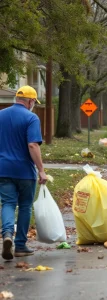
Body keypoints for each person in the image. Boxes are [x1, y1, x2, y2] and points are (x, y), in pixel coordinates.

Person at [0, 85, 48, 260]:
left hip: (3, 169)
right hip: (24, 171)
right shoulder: (31, 118)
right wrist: (41, 170)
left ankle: (6, 234)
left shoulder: (1, 115)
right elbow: (33, 145)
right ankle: (20, 245)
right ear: (30, 101)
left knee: (7, 203)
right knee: (25, 206)